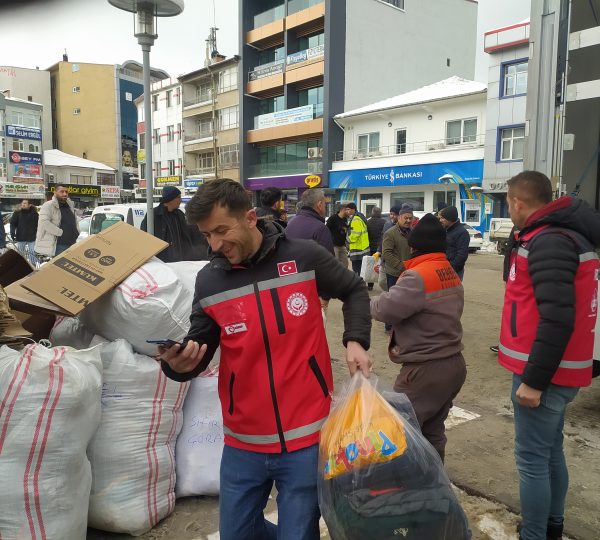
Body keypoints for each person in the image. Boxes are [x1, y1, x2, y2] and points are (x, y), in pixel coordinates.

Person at [157, 178, 372, 540]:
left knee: (298, 534)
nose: (215, 244)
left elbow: (353, 289)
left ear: (250, 218)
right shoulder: (210, 282)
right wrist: (178, 365)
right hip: (244, 442)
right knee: (237, 533)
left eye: (222, 231)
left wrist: (355, 341)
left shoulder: (302, 257)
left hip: (306, 436)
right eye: (207, 234)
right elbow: (201, 345)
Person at [498, 171, 600, 540]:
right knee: (550, 451)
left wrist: (534, 381)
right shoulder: (559, 236)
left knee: (532, 460)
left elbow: (557, 318)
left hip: (544, 374)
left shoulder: (550, 241)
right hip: (555, 370)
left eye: (508, 202)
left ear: (517, 202)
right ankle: (552, 526)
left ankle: (535, 534)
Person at [371, 213, 466, 462]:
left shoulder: (418, 276)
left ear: (414, 246)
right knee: (433, 430)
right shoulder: (448, 271)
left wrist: (362, 302)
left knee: (397, 430)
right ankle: (435, 485)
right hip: (452, 364)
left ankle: (411, 487)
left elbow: (386, 309)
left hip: (425, 370)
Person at [141, 186, 208, 262]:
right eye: (178, 197)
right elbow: (144, 236)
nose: (181, 200)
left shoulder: (179, 214)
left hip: (180, 261)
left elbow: (190, 232)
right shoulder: (154, 215)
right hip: (162, 262)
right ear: (170, 199)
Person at [285, 188, 334, 254]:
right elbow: (329, 261)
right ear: (319, 205)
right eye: (325, 205)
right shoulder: (320, 228)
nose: (325, 209)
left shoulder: (291, 223)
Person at [35, 185, 79, 257]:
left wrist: (77, 231)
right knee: (59, 266)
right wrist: (59, 232)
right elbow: (44, 222)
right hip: (58, 244)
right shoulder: (48, 205)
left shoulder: (70, 205)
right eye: (62, 192)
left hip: (72, 243)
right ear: (55, 192)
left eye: (66, 192)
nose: (65, 194)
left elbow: (73, 220)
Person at [438, 205, 470, 280]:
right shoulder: (446, 230)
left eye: (443, 218)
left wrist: (450, 269)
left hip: (454, 271)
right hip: (444, 269)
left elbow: (462, 255)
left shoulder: (462, 233)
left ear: (450, 219)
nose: (440, 220)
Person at [10, 199, 39, 265]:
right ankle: (20, 266)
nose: (23, 204)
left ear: (29, 205)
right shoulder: (17, 213)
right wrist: (12, 233)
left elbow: (38, 225)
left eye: (25, 203)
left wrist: (38, 234)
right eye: (22, 203)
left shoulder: (34, 214)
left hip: (32, 238)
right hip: (21, 237)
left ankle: (33, 266)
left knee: (32, 253)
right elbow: (13, 224)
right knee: (20, 254)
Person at [366, 207, 386, 290]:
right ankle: (383, 284)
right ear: (380, 213)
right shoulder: (384, 222)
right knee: (382, 266)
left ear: (372, 212)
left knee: (371, 266)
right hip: (381, 247)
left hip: (370, 247)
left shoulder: (368, 222)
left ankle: (370, 286)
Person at [346, 202, 370, 275]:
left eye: (348, 209)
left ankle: (358, 285)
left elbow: (355, 234)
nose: (347, 211)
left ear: (353, 209)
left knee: (357, 271)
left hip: (357, 249)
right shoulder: (359, 217)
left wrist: (347, 239)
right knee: (361, 271)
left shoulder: (356, 219)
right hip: (362, 248)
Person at [326, 202, 350, 267]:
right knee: (335, 265)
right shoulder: (332, 218)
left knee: (345, 264)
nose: (348, 211)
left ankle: (343, 277)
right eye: (347, 209)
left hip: (342, 245)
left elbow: (345, 230)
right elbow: (326, 230)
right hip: (334, 246)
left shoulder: (345, 219)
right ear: (342, 210)